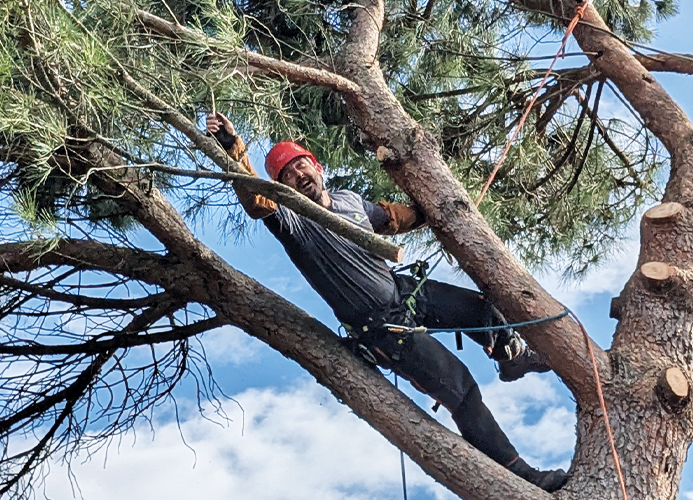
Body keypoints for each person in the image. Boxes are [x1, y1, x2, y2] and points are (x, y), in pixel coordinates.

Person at [205, 113, 569, 491]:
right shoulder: (292, 220)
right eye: (287, 175)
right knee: (460, 388)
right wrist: (232, 147)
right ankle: (520, 473)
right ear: (284, 188)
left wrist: (435, 208)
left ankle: (511, 359)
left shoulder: (348, 200)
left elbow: (391, 218)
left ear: (317, 167)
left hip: (405, 293)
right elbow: (257, 199)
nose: (297, 174)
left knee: (482, 308)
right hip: (385, 329)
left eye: (300, 165)